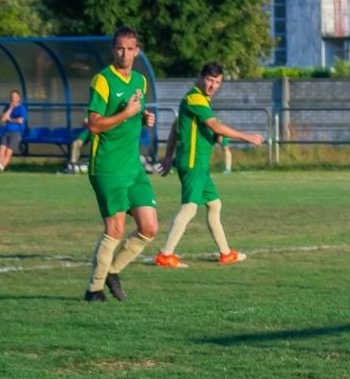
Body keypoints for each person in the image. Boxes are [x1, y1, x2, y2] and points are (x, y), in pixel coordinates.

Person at [153, 61, 266, 268]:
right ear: (200, 77)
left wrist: (168, 156)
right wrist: (246, 136)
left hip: (200, 165)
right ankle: (165, 254)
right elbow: (214, 125)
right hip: (192, 163)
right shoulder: (195, 97)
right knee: (189, 208)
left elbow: (175, 127)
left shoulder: (201, 100)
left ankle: (226, 253)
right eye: (209, 80)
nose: (213, 85)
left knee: (214, 205)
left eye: (217, 82)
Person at [82, 26, 158, 302]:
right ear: (113, 50)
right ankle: (94, 290)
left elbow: (136, 112)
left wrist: (144, 118)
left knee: (149, 227)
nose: (124, 54)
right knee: (114, 229)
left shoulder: (140, 81)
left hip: (132, 167)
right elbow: (94, 125)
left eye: (130, 49)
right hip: (108, 166)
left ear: (137, 51)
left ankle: (112, 271)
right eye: (120, 48)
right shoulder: (103, 80)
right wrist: (126, 113)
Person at [0, 89, 26, 172]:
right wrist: (10, 108)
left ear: (19, 98)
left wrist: (10, 119)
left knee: (8, 152)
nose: (13, 99)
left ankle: (1, 168)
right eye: (12, 97)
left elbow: (20, 120)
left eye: (15, 97)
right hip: (6, 132)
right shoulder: (7, 107)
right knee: (1, 150)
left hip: (16, 133)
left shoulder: (22, 108)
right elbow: (3, 119)